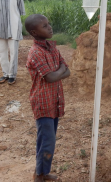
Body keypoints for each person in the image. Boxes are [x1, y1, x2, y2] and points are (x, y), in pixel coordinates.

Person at [25, 14, 70, 182]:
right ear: (34, 32)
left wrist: (56, 73)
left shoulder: (52, 48)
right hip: (42, 103)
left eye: (48, 24)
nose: (49, 27)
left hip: (54, 101)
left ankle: (42, 173)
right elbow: (51, 77)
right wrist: (60, 71)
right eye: (44, 26)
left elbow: (68, 71)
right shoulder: (35, 52)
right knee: (48, 141)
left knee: (46, 139)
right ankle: (39, 176)